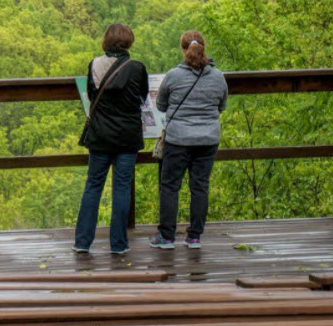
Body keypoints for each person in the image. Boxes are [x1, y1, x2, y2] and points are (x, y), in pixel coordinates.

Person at [73, 23, 149, 255]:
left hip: (100, 135)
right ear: (129, 42)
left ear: (106, 41)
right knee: (122, 188)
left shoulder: (94, 65)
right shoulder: (137, 68)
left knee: (93, 186)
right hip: (127, 136)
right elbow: (143, 97)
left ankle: (82, 242)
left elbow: (92, 94)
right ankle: (118, 244)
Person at [149, 29, 228, 249]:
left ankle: (167, 237)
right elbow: (221, 105)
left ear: (184, 50)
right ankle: (194, 237)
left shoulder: (173, 75)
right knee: (200, 186)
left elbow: (161, 105)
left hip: (178, 139)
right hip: (208, 139)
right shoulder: (218, 76)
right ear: (203, 48)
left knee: (170, 187)